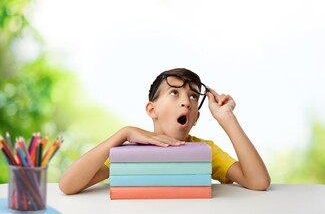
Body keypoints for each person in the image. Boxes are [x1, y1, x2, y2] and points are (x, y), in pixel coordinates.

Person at [59, 68, 270, 195]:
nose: (186, 102)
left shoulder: (204, 151)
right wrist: (122, 134)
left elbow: (258, 182)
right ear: (152, 109)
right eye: (174, 93)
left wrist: (227, 118)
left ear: (196, 117)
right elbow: (68, 185)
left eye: (193, 96)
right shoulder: (129, 154)